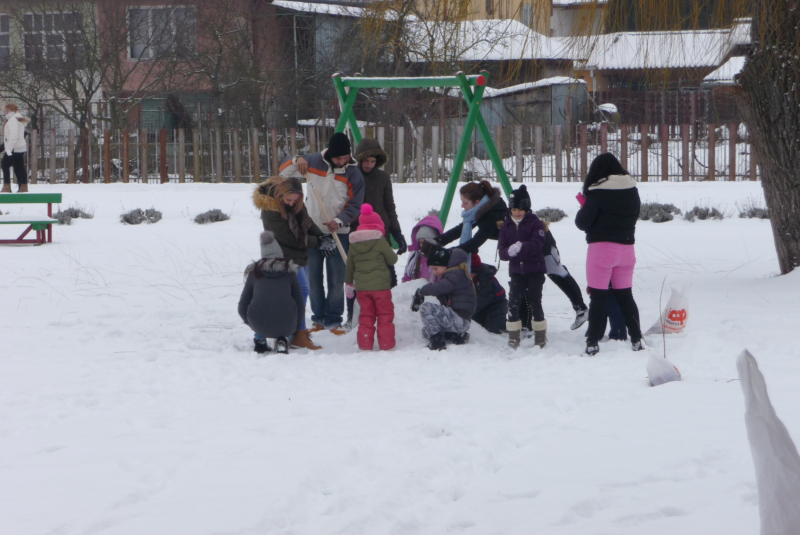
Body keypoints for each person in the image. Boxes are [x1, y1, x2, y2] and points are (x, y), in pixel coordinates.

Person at [279, 132, 365, 333]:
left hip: (339, 232)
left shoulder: (354, 173)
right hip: (312, 230)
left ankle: (334, 318)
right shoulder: (313, 161)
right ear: (329, 155)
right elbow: (283, 172)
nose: (342, 161)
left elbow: (355, 205)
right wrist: (295, 159)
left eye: (345, 157)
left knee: (336, 278)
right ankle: (318, 318)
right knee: (314, 278)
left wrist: (339, 220)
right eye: (338, 158)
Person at [575, 152, 643, 356]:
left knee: (598, 298)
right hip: (627, 250)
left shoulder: (597, 192)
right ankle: (637, 338)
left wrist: (585, 205)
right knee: (626, 296)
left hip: (601, 251)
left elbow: (581, 223)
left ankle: (593, 341)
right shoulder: (632, 190)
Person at [253, 175, 327, 350]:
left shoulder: (295, 205)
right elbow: (288, 237)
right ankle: (292, 331)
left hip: (299, 254)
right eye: (288, 200)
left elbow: (307, 222)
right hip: (281, 256)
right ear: (279, 196)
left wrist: (322, 237)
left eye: (296, 200)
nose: (292, 203)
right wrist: (318, 243)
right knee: (300, 290)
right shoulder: (270, 209)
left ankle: (294, 331)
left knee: (299, 292)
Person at [346, 138, 407, 327]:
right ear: (359, 159)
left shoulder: (383, 178)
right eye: (366, 161)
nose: (369, 165)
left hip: (382, 232)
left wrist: (397, 234)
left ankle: (389, 314)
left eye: (373, 161)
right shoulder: (353, 175)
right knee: (357, 276)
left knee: (387, 274)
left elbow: (390, 206)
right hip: (358, 233)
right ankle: (353, 316)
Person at [237, 231, 304, 355]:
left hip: (258, 324)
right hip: (288, 325)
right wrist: (296, 326)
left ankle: (260, 340)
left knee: (260, 307)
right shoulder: (290, 273)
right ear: (279, 253)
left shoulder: (254, 274)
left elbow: (242, 305)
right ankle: (282, 339)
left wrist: (250, 323)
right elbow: (299, 302)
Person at [498, 185, 548, 349]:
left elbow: (537, 244)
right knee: (513, 302)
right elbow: (502, 252)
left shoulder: (535, 223)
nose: (517, 212)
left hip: (535, 270)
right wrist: (508, 251)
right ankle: (513, 337)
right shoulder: (506, 226)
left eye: (520, 209)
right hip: (516, 273)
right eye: (514, 209)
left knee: (535, 302)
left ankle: (540, 337)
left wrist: (522, 246)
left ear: (527, 208)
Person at [345, 204, 398, 351]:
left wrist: (349, 284)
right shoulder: (380, 240)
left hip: (362, 288)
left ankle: (365, 344)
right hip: (381, 287)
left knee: (366, 316)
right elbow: (393, 260)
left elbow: (350, 266)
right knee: (385, 315)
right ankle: (386, 345)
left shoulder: (354, 244)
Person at [410, 246, 477, 351]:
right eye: (432, 269)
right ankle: (454, 336)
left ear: (445, 265)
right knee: (426, 331)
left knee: (426, 308)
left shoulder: (456, 274)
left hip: (460, 318)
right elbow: (442, 294)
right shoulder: (454, 273)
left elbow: (440, 287)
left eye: (436, 268)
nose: (434, 272)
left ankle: (437, 341)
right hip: (458, 318)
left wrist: (421, 292)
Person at [435, 180, 507, 260]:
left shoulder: (491, 215)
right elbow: (460, 229)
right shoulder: (482, 209)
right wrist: (438, 241)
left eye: (465, 203)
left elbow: (476, 242)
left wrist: (448, 253)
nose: (462, 206)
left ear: (477, 202)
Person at [470, 253, 508, 335]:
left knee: (493, 330)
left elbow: (481, 301)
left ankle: (505, 326)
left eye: (470, 272)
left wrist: (466, 312)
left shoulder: (485, 281)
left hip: (496, 306)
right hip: (481, 308)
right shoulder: (471, 279)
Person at [402, 214, 444, 283]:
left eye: (425, 243)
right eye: (420, 242)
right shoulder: (414, 256)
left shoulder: (441, 256)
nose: (422, 246)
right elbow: (407, 278)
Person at [1, 103, 30, 193]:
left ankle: (7, 187)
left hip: (14, 148)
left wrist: (8, 149)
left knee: (5, 164)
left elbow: (13, 136)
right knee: (19, 167)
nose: (6, 112)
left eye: (8, 110)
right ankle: (23, 187)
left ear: (13, 110)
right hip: (19, 147)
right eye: (5, 110)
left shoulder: (13, 120)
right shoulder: (16, 118)